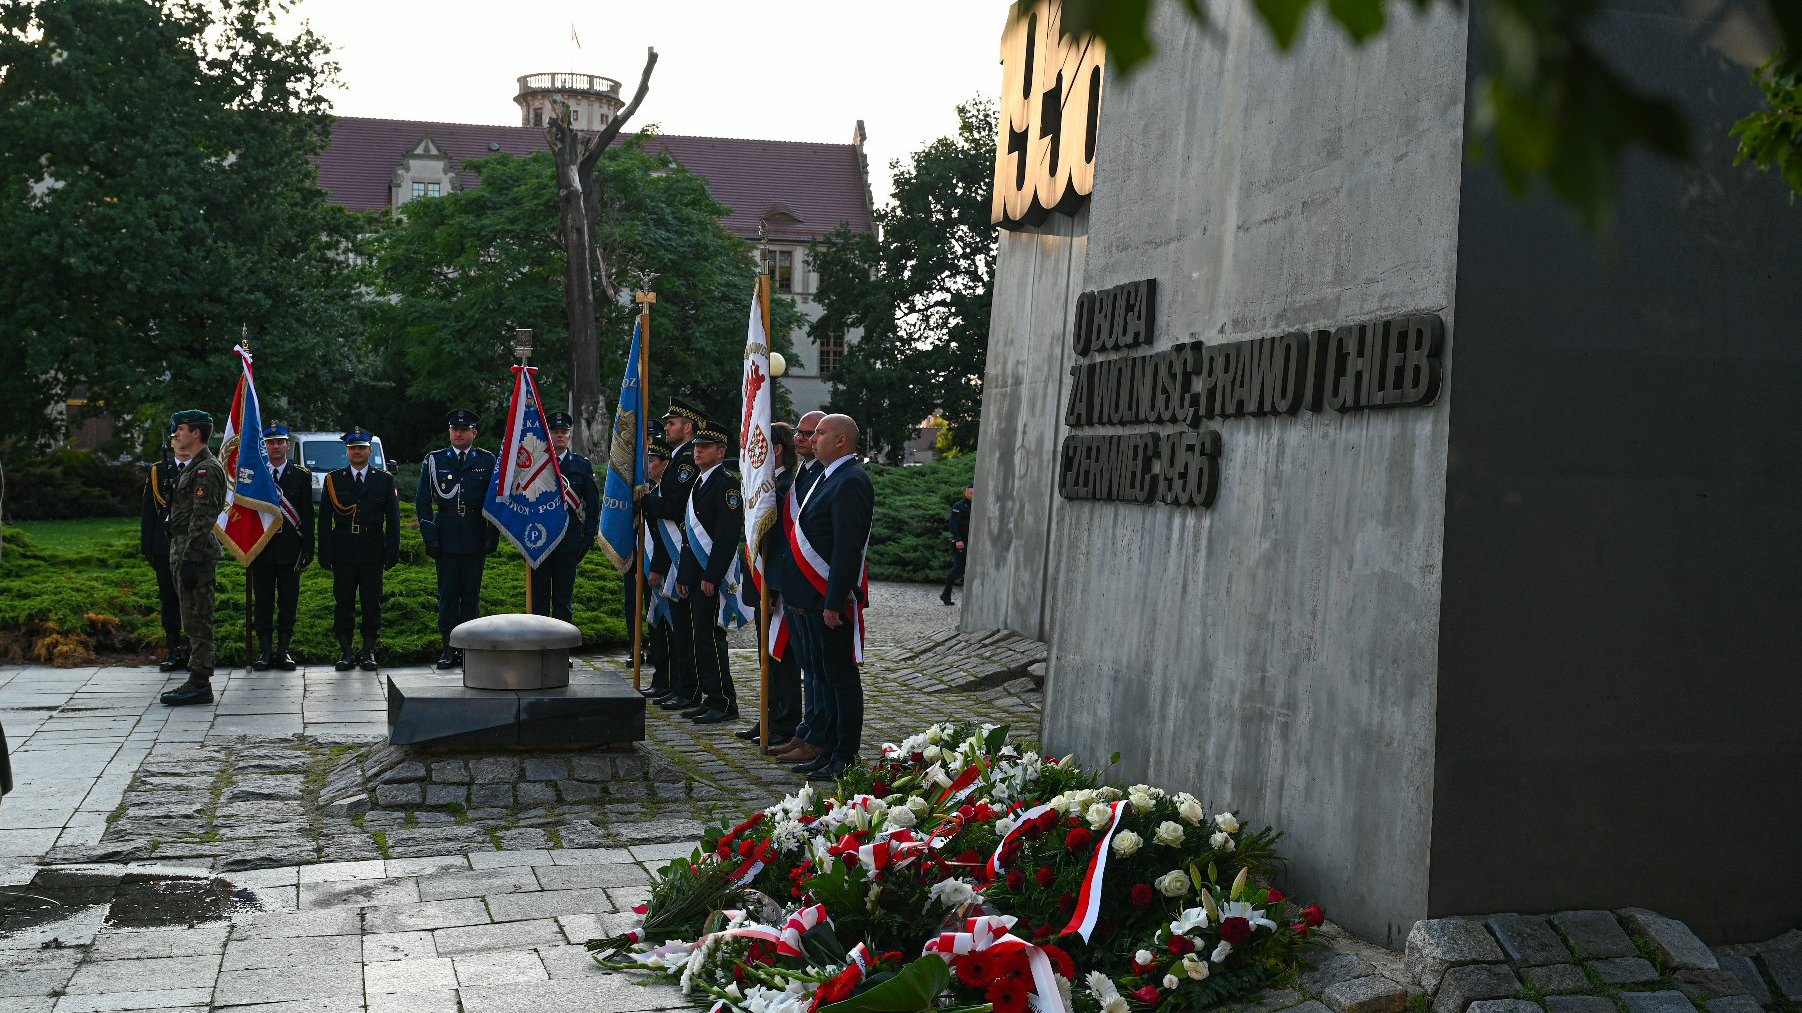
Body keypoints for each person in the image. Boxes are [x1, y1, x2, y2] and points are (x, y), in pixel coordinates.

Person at [770, 414, 874, 780]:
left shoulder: (850, 481)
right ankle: (826, 749)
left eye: (820, 434)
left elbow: (847, 547)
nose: (812, 440)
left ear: (842, 441)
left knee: (840, 679)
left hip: (829, 601)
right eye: (811, 434)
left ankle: (845, 755)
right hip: (810, 598)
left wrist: (833, 601)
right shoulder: (827, 477)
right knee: (823, 676)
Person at [416, 409, 498, 668]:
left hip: (475, 535)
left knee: (471, 596)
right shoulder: (434, 460)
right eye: (454, 429)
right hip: (446, 536)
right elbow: (423, 502)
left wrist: (491, 534)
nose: (458, 433)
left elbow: (494, 500)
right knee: (448, 595)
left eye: (464, 429)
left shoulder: (486, 460)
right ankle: (448, 648)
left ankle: (468, 648)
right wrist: (430, 537)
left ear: (474, 432)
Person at [736, 422, 802, 747]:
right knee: (767, 656)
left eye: (755, 446)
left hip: (776, 585)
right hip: (761, 579)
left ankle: (785, 722)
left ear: (776, 450)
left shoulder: (787, 486)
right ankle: (768, 715)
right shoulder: (766, 483)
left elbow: (783, 544)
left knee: (781, 657)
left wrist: (772, 587)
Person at [159, 410, 228, 706]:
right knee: (190, 617)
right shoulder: (193, 467)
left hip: (194, 553)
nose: (176, 435)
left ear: (196, 433)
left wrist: (189, 558)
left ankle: (200, 682)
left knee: (198, 619)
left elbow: (203, 517)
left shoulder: (206, 470)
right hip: (184, 549)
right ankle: (196, 677)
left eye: (181, 429)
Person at [767, 410, 826, 757]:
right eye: (800, 434)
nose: (802, 439)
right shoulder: (807, 474)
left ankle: (814, 735)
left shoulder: (810, 478)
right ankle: (805, 730)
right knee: (806, 666)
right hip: (794, 583)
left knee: (817, 670)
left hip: (812, 586)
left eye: (810, 433)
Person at [639, 397, 704, 710]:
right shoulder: (678, 458)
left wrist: (644, 501)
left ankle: (688, 688)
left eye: (672, 424)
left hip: (685, 554)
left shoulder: (687, 461)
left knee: (687, 631)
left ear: (687, 427)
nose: (666, 428)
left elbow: (674, 507)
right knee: (677, 629)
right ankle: (679, 685)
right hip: (674, 554)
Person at [675, 416, 742, 724]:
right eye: (697, 446)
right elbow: (689, 538)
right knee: (699, 636)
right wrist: (685, 577)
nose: (697, 451)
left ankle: (724, 701)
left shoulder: (727, 483)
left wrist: (710, 577)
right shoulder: (699, 482)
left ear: (720, 450)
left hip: (712, 577)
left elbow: (727, 537)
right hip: (696, 575)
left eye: (705, 446)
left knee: (712, 637)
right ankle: (709, 696)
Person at [318, 428, 400, 672]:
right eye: (353, 448)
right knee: (343, 602)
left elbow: (393, 520)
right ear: (347, 452)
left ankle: (368, 652)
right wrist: (324, 552)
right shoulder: (334, 480)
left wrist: (392, 551)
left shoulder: (384, 480)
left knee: (371, 602)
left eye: (361, 448)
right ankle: (346, 652)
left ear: (369, 451)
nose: (357, 452)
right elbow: (323, 520)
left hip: (372, 549)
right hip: (343, 550)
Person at [251, 425, 313, 670]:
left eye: (280, 442)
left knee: (288, 602)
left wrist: (308, 549)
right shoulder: (257, 475)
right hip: (262, 549)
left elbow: (307, 515)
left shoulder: (301, 475)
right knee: (263, 602)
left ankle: (284, 650)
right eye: (270, 442)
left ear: (288, 445)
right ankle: (265, 651)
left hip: (290, 550)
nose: (275, 446)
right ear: (265, 446)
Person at [533, 411, 601, 623]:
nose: (560, 435)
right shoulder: (535, 465)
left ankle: (561, 652)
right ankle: (540, 648)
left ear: (570, 436)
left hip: (569, 540)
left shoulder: (581, 465)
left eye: (564, 432)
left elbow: (593, 505)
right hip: (539, 540)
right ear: (548, 435)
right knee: (539, 599)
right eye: (555, 432)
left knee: (563, 600)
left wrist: (588, 538)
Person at [140, 425, 187, 673]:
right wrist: (147, 546)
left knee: (192, 601)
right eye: (174, 438)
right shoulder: (159, 471)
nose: (178, 442)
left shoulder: (201, 469)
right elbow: (149, 511)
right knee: (169, 600)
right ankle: (173, 648)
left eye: (181, 437)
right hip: (164, 546)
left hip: (191, 547)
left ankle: (192, 650)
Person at [634, 435, 677, 697]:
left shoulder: (663, 495)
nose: (648, 466)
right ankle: (661, 679)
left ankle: (672, 681)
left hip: (665, 567)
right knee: (656, 628)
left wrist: (657, 568)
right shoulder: (648, 491)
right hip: (649, 563)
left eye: (651, 460)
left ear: (664, 464)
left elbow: (663, 537)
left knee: (670, 629)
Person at [940, 483, 973, 606]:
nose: (973, 496)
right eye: (971, 493)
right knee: (959, 568)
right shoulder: (959, 506)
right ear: (966, 493)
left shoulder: (978, 506)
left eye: (975, 493)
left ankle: (946, 595)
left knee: (964, 569)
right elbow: (953, 525)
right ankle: (946, 594)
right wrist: (958, 539)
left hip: (972, 544)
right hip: (960, 543)